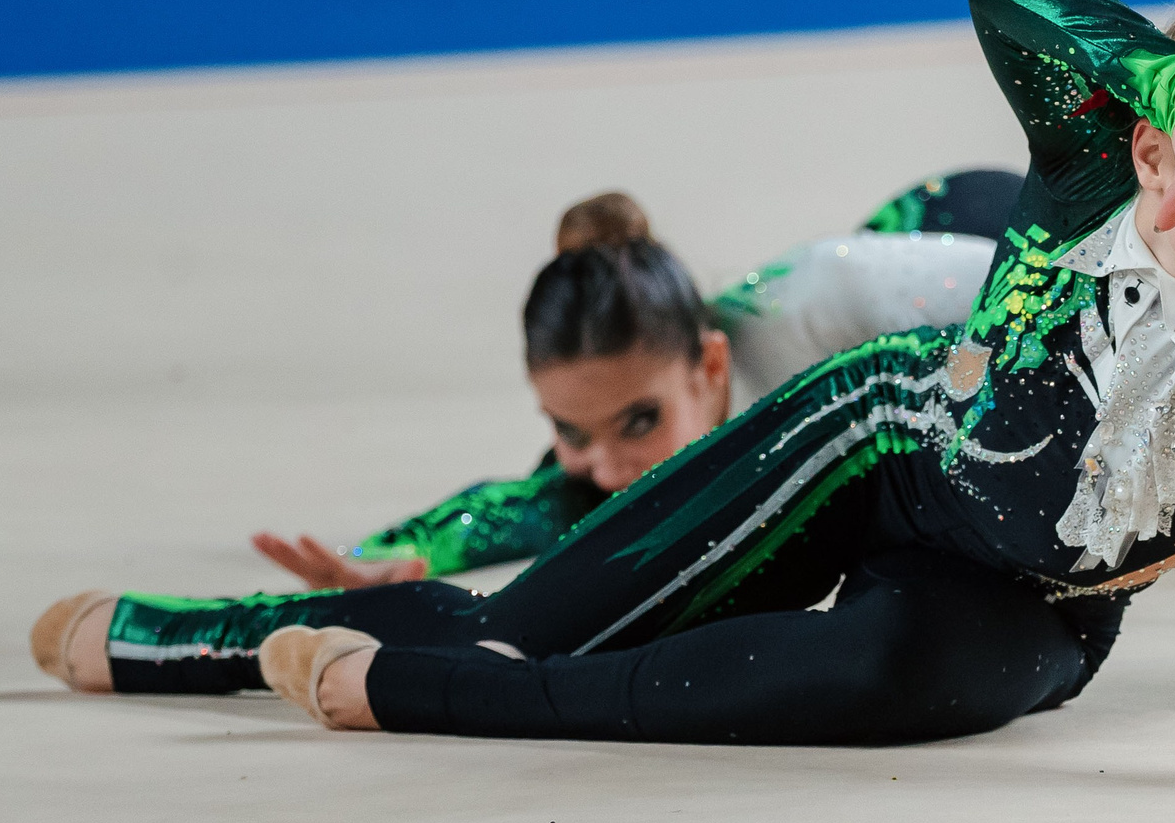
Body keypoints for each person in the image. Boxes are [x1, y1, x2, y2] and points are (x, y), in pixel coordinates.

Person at [32, 0, 1175, 810]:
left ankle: (413, 689)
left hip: (1036, 603)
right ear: (1164, 149)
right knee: (535, 616)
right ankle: (213, 643)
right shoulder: (1100, 175)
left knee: (853, 694)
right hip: (869, 444)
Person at [246, 175, 1018, 594]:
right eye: (570, 431)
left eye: (638, 422)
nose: (607, 469)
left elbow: (1057, 301)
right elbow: (517, 508)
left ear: (712, 367)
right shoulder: (605, 456)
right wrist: (389, 554)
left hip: (975, 229)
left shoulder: (823, 299)